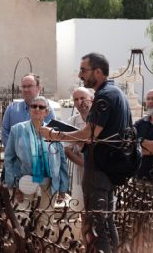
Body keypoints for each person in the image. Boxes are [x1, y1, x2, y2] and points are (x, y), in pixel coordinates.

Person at [41, 52, 132, 253]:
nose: (80, 75)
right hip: (108, 168)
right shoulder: (116, 93)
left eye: (84, 70)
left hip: (99, 170)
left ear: (98, 72)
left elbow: (88, 134)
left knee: (97, 225)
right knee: (106, 221)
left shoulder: (105, 96)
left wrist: (54, 135)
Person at [4, 95, 68, 230]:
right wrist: (13, 185)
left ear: (47, 111)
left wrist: (63, 187)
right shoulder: (17, 130)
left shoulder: (53, 133)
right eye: (34, 106)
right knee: (21, 222)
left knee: (45, 225)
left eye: (41, 107)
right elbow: (9, 158)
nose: (37, 109)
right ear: (29, 109)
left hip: (48, 185)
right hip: (24, 183)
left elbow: (61, 161)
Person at [64, 87, 93, 242]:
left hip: (100, 173)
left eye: (83, 98)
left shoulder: (100, 120)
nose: (80, 102)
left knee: (100, 215)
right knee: (83, 214)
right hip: (81, 173)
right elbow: (67, 150)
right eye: (76, 99)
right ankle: (87, 245)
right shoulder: (72, 121)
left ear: (91, 99)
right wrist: (86, 165)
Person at [1, 73, 56, 147]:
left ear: (39, 88)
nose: (26, 89)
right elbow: (5, 133)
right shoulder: (11, 109)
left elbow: (50, 135)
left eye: (29, 86)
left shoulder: (47, 110)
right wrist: (14, 152)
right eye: (24, 86)